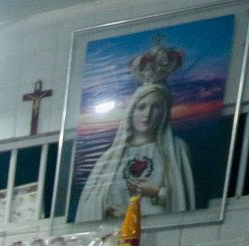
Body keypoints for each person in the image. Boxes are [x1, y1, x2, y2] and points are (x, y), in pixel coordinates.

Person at [74, 79, 196, 222]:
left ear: (164, 113)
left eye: (156, 107)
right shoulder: (109, 157)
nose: (147, 114)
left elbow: (182, 199)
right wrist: (108, 210)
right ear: (132, 111)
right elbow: (89, 204)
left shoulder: (176, 149)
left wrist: (156, 192)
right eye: (141, 107)